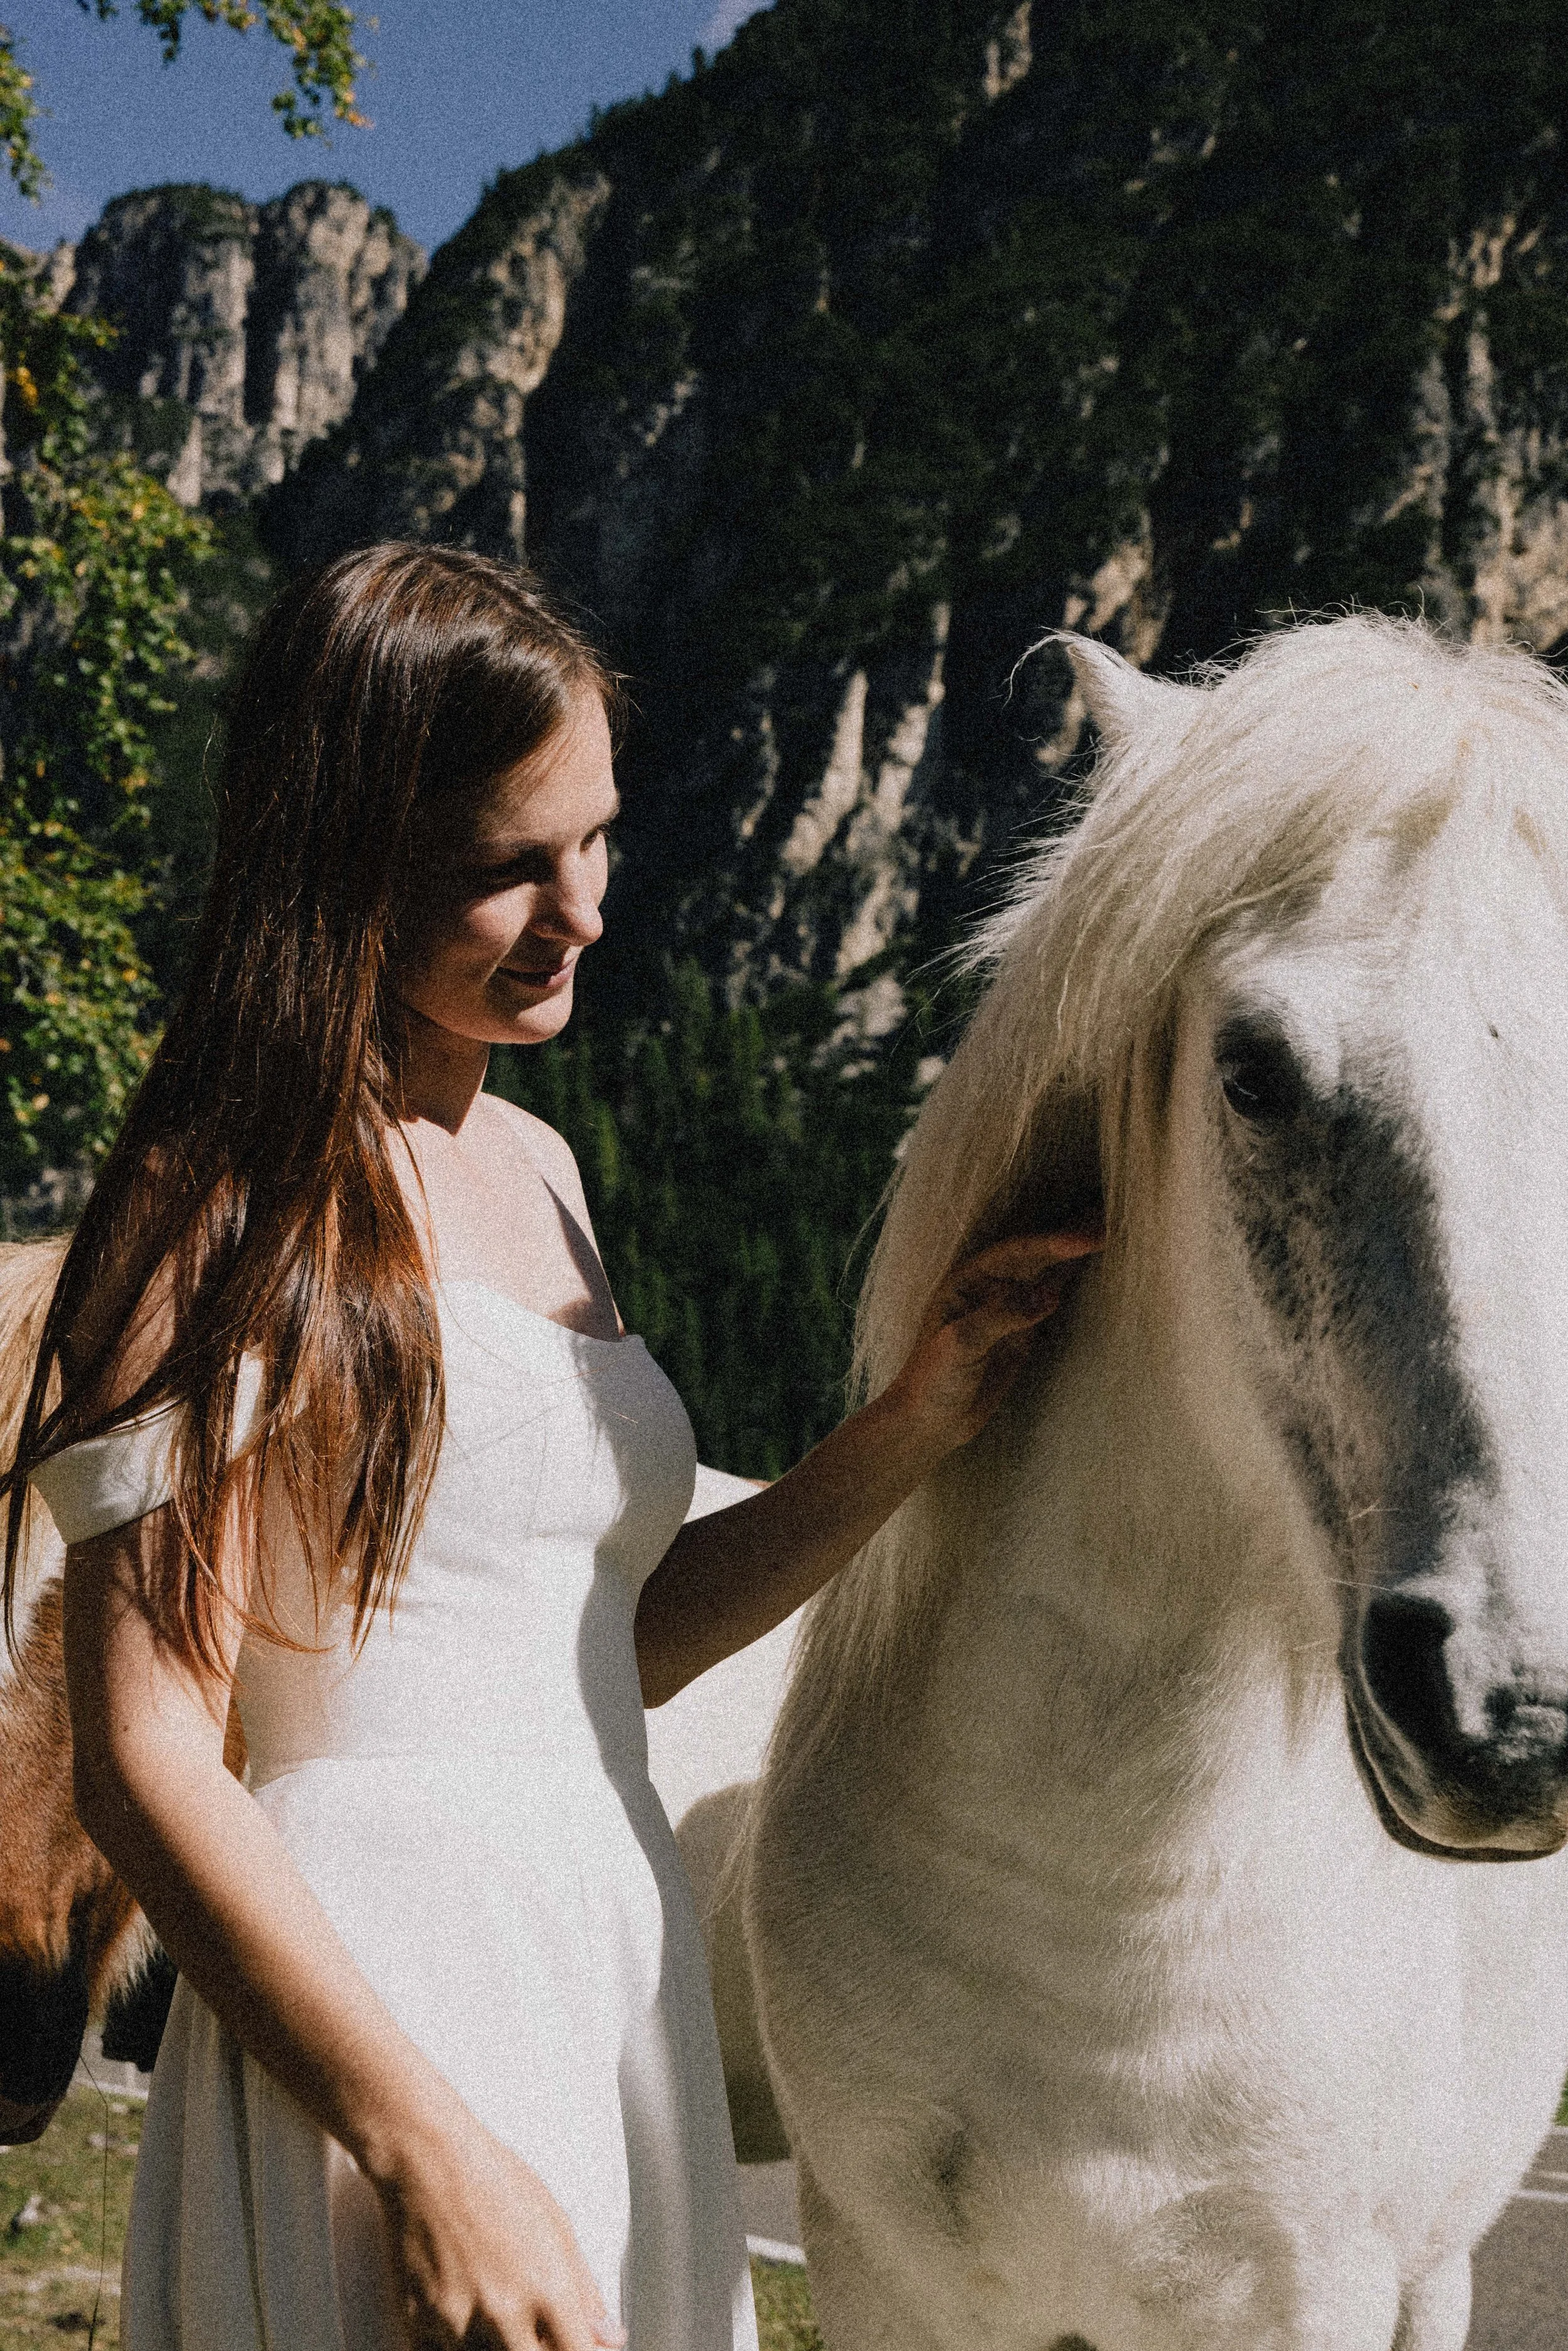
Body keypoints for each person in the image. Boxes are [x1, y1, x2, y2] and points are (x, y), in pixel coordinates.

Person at [2, 544, 1100, 2351]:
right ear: (345, 857)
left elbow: (594, 1652)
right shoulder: (222, 1205)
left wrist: (912, 1422)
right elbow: (143, 1756)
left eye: (592, 836)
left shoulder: (544, 1174)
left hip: (605, 1958)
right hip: (377, 1999)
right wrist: (422, 2147)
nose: (581, 906)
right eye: (509, 863)